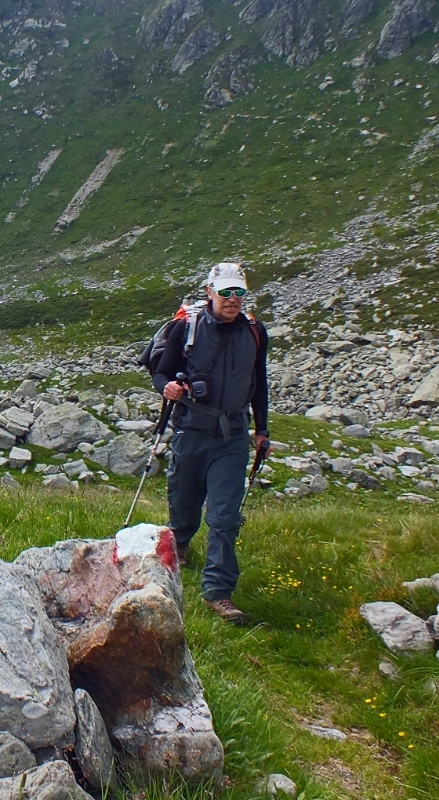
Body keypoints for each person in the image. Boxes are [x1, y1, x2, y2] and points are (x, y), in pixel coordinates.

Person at [151, 262, 269, 625]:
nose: (233, 300)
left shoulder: (255, 332)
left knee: (225, 516)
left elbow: (259, 382)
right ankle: (181, 543)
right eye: (226, 293)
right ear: (210, 292)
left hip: (232, 435)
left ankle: (218, 591)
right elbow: (160, 372)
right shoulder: (186, 328)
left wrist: (262, 430)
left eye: (239, 293)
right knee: (183, 500)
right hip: (191, 429)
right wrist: (167, 388)